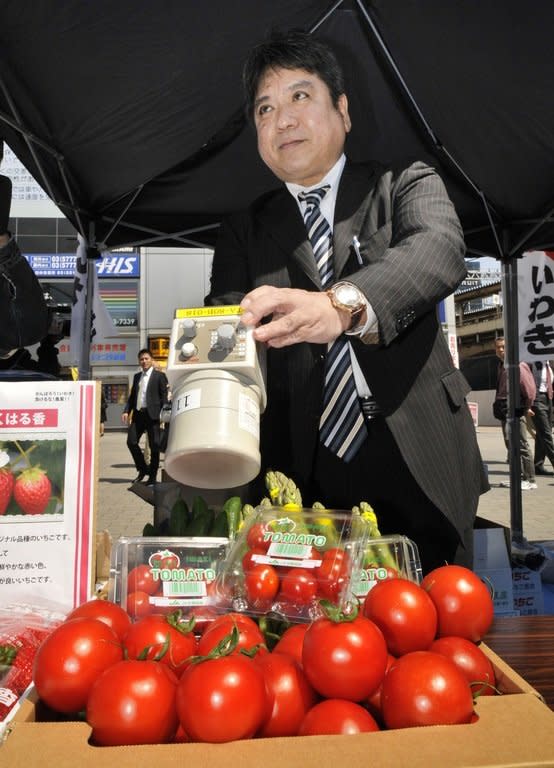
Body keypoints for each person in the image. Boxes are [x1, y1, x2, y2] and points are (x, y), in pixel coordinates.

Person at [205, 29, 488, 575]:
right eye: (265, 108)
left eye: (300, 96)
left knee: (435, 632)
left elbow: (438, 252)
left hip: (417, 451)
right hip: (301, 467)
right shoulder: (243, 229)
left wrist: (340, 306)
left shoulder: (404, 182)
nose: (282, 118)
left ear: (343, 110)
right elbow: (227, 323)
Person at [493, 337, 537, 490]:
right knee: (510, 444)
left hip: (516, 408)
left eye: (504, 347)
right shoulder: (501, 365)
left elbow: (530, 390)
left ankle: (530, 479)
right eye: (498, 347)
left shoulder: (519, 364)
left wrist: (527, 407)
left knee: (521, 444)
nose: (501, 350)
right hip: (504, 408)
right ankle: (517, 478)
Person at [122, 349, 168, 485]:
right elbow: (132, 397)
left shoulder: (159, 376)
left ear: (152, 360)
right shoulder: (137, 377)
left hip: (153, 415)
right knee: (131, 441)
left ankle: (152, 477)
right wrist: (126, 411)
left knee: (154, 447)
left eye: (146, 358)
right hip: (138, 414)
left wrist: (163, 414)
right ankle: (143, 469)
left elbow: (164, 397)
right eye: (141, 359)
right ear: (139, 361)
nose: (144, 361)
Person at [529, 360, 554, 475]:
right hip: (536, 399)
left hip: (548, 398)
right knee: (546, 434)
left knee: (541, 434)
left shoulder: (550, 363)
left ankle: (538, 465)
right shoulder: (531, 362)